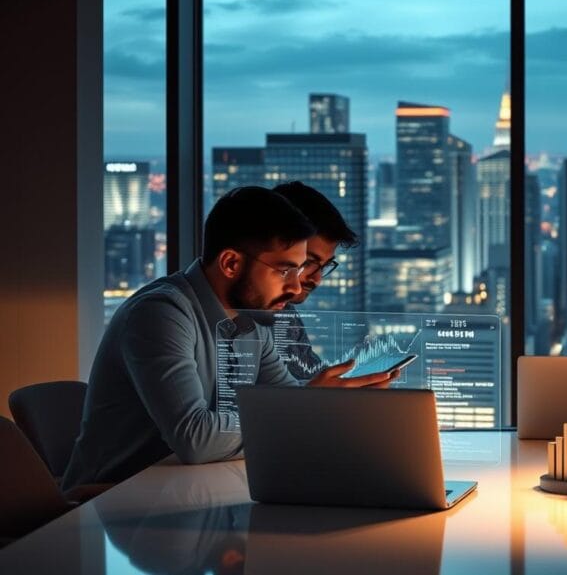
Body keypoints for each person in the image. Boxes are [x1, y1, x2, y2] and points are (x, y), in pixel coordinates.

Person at [63, 187, 395, 492]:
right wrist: (305, 406)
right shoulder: (160, 314)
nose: (296, 288)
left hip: (190, 490)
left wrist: (340, 402)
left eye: (299, 270)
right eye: (284, 271)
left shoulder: (253, 319)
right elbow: (196, 438)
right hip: (112, 503)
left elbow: (286, 404)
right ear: (231, 263)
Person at [271, 181, 359, 381]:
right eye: (309, 262)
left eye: (325, 265)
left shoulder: (285, 315)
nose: (317, 279)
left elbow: (313, 379)